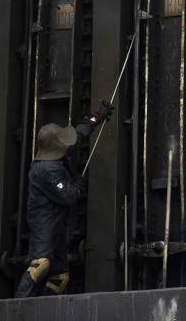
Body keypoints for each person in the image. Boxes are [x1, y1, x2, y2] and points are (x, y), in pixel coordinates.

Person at [14, 100, 113, 298]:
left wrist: (96, 117)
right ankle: (17, 305)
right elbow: (68, 196)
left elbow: (79, 134)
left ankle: (46, 306)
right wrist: (78, 184)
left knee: (60, 274)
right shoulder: (46, 170)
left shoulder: (56, 155)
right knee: (40, 264)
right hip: (44, 221)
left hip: (56, 221)